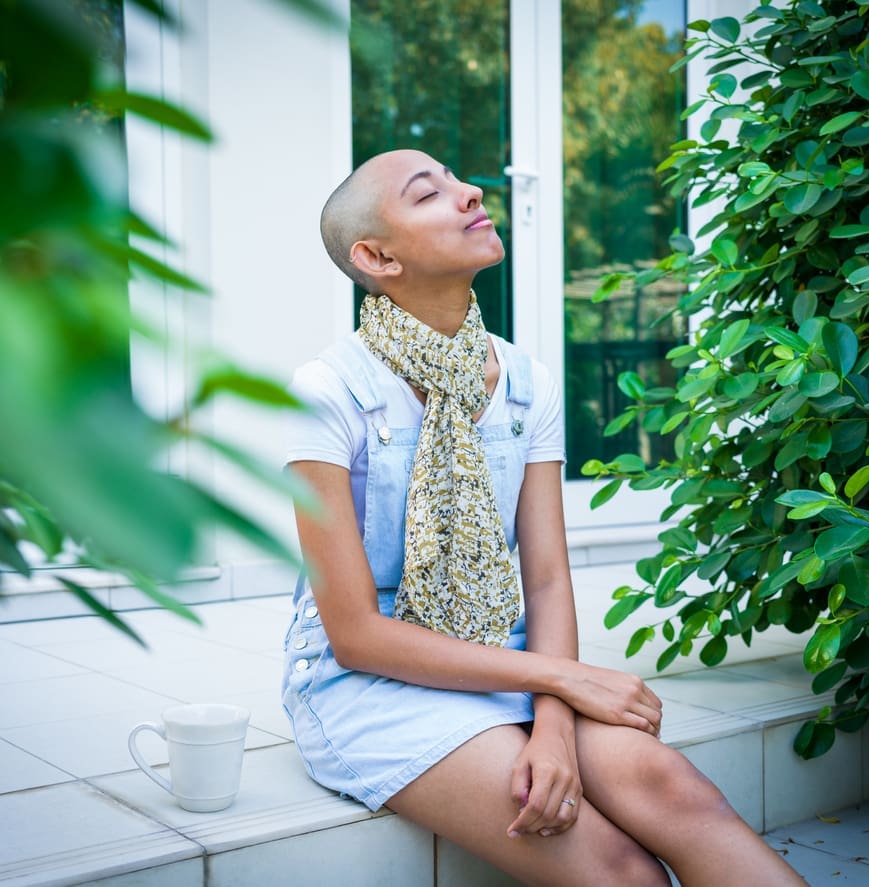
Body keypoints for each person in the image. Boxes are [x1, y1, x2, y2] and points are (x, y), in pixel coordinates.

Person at [281, 148, 805, 886]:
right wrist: (564, 680)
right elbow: (356, 634)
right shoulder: (328, 388)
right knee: (621, 870)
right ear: (376, 256)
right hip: (367, 681)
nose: (468, 192)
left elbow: (549, 579)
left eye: (458, 180)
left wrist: (554, 720)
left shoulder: (524, 381)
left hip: (507, 649)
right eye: (428, 193)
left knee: (678, 793)